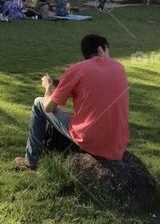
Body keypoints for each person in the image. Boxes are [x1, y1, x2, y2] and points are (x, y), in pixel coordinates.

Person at [15, 34, 129, 170]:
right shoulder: (119, 68)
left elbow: (48, 107)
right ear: (100, 50)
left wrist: (48, 87)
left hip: (89, 138)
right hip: (118, 143)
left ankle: (31, 160)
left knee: (38, 103)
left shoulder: (78, 68)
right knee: (70, 114)